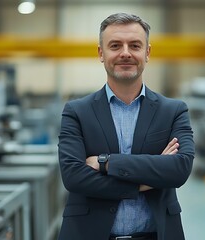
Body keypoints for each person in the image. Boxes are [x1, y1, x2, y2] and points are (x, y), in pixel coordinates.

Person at [57, 13, 195, 240]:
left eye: (135, 45)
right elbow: (73, 176)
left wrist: (106, 162)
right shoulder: (76, 111)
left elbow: (179, 169)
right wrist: (143, 182)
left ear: (147, 53)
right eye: (115, 45)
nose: (125, 53)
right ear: (101, 53)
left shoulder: (173, 110)